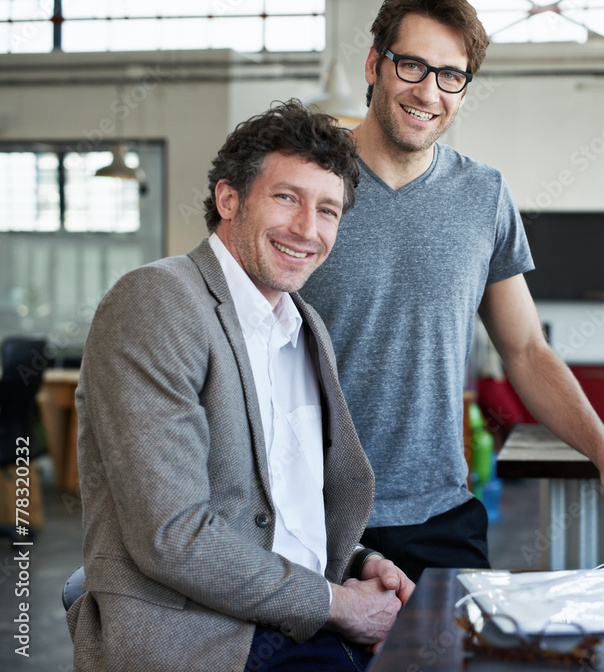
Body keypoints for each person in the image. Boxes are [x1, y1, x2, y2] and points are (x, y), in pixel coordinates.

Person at [67, 100, 414, 672]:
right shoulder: (157, 302)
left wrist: (353, 563)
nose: (308, 230)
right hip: (197, 641)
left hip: (291, 626)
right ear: (229, 199)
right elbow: (171, 534)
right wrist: (337, 605)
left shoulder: (305, 326)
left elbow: (267, 509)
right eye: (287, 198)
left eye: (328, 210)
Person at [299, 0, 604, 581]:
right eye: (411, 67)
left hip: (440, 517)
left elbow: (525, 350)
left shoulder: (484, 195)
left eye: (450, 75)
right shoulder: (306, 186)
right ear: (374, 64)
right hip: (311, 514)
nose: (429, 92)